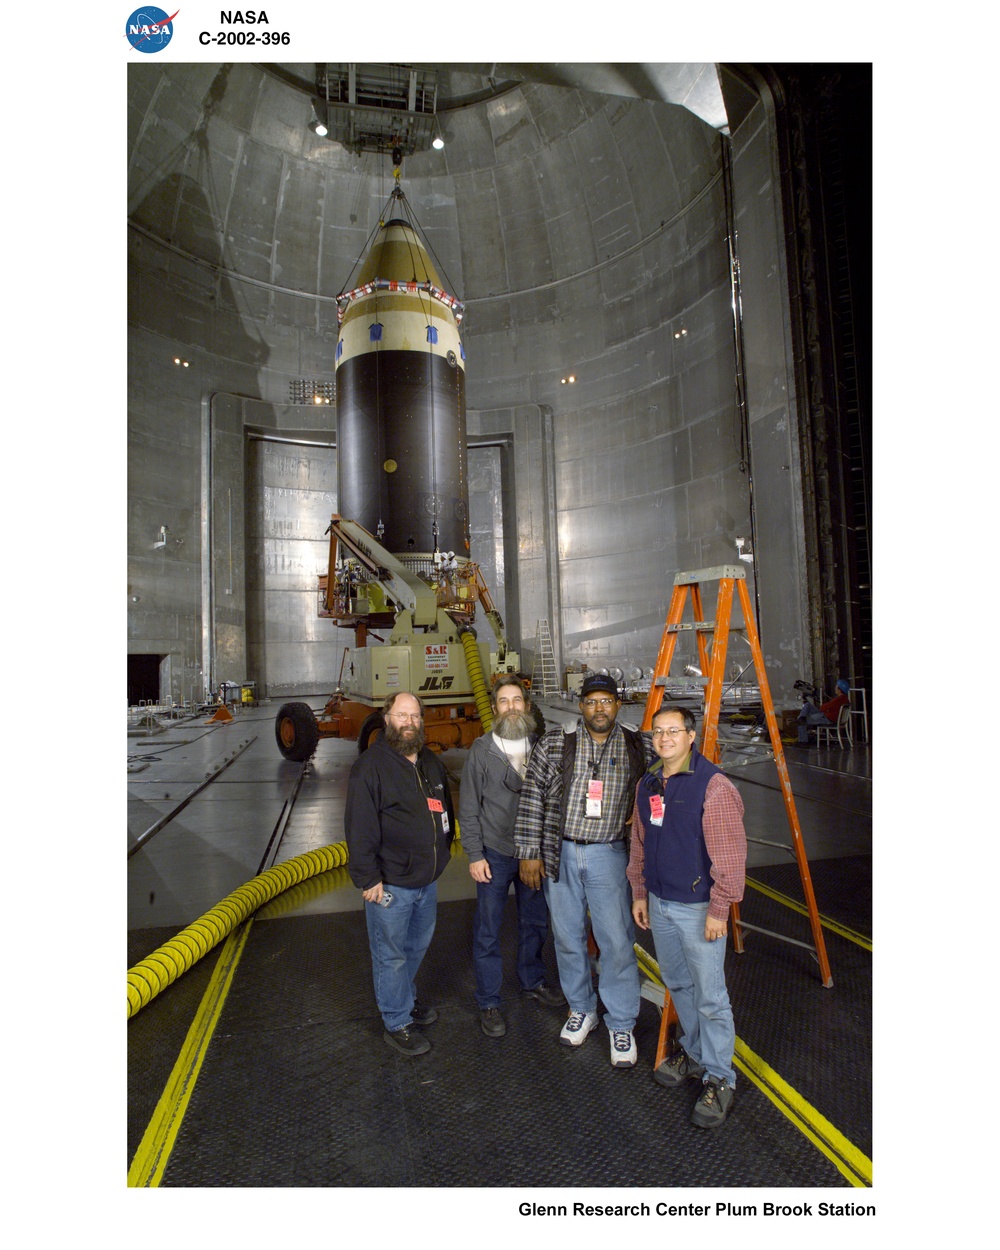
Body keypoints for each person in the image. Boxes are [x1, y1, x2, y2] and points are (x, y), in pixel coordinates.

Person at [514, 673, 654, 1067]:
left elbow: (667, 773)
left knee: (615, 939)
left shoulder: (635, 744)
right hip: (561, 853)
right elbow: (532, 796)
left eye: (606, 701)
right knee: (567, 936)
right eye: (591, 701)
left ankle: (621, 1021)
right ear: (581, 706)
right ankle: (582, 1008)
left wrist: (641, 813)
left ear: (617, 705)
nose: (599, 708)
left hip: (608, 855)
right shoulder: (557, 742)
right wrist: (529, 851)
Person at [628, 705, 747, 1129]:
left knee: (711, 996)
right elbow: (640, 842)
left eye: (673, 731)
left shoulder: (713, 787)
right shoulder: (649, 783)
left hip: (698, 910)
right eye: (658, 732)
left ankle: (721, 1076)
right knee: (678, 985)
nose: (664, 739)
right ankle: (695, 1055)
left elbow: (729, 858)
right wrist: (640, 893)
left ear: (691, 736)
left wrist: (720, 909)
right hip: (660, 904)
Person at [345, 691, 454, 1057]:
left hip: (426, 881)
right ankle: (396, 1021)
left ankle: (403, 999)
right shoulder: (371, 767)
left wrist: (443, 853)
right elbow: (359, 828)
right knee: (390, 954)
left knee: (415, 947)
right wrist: (368, 878)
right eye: (401, 715)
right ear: (387, 719)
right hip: (390, 885)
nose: (409, 722)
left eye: (415, 716)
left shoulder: (429, 762)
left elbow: (445, 811)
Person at [460, 677, 565, 1038]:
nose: (511, 707)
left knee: (534, 921)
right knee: (488, 930)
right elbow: (470, 807)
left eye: (516, 700)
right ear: (494, 709)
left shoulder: (542, 747)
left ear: (526, 704)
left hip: (532, 854)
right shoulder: (481, 751)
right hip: (495, 853)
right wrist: (475, 854)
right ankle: (489, 1001)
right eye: (503, 701)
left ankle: (532, 980)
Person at [797, 678, 850, 744]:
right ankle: (802, 716)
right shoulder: (845, 699)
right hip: (827, 715)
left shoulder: (838, 700)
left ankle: (803, 741)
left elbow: (822, 708)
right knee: (807, 705)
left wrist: (826, 708)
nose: (834, 688)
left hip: (827, 718)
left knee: (801, 720)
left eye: (836, 687)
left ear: (839, 689)